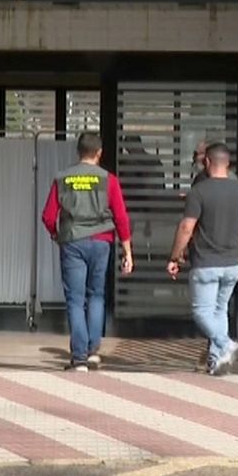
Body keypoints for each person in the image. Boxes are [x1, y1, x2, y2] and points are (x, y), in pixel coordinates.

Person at [41, 132, 134, 371]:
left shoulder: (63, 178)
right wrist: (127, 251)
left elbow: (48, 216)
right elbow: (121, 217)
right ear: (100, 152)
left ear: (78, 151)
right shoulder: (108, 179)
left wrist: (56, 234)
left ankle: (79, 357)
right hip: (102, 242)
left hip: (73, 241)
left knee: (75, 300)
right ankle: (93, 351)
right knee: (97, 295)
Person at [168, 142, 238, 376]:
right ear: (228, 163)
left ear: (206, 162)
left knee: (201, 312)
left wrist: (175, 256)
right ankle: (216, 361)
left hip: (206, 262)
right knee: (219, 311)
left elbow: (187, 227)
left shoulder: (199, 191)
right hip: (232, 264)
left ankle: (226, 345)